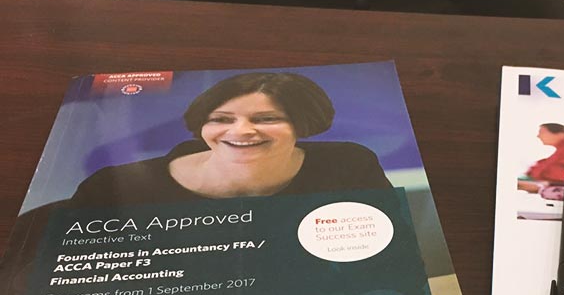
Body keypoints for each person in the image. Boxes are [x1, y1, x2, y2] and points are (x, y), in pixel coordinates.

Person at [71, 72, 391, 206]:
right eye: (221, 120)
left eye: (266, 119)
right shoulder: (109, 187)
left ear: (302, 124)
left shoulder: (350, 165)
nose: (240, 131)